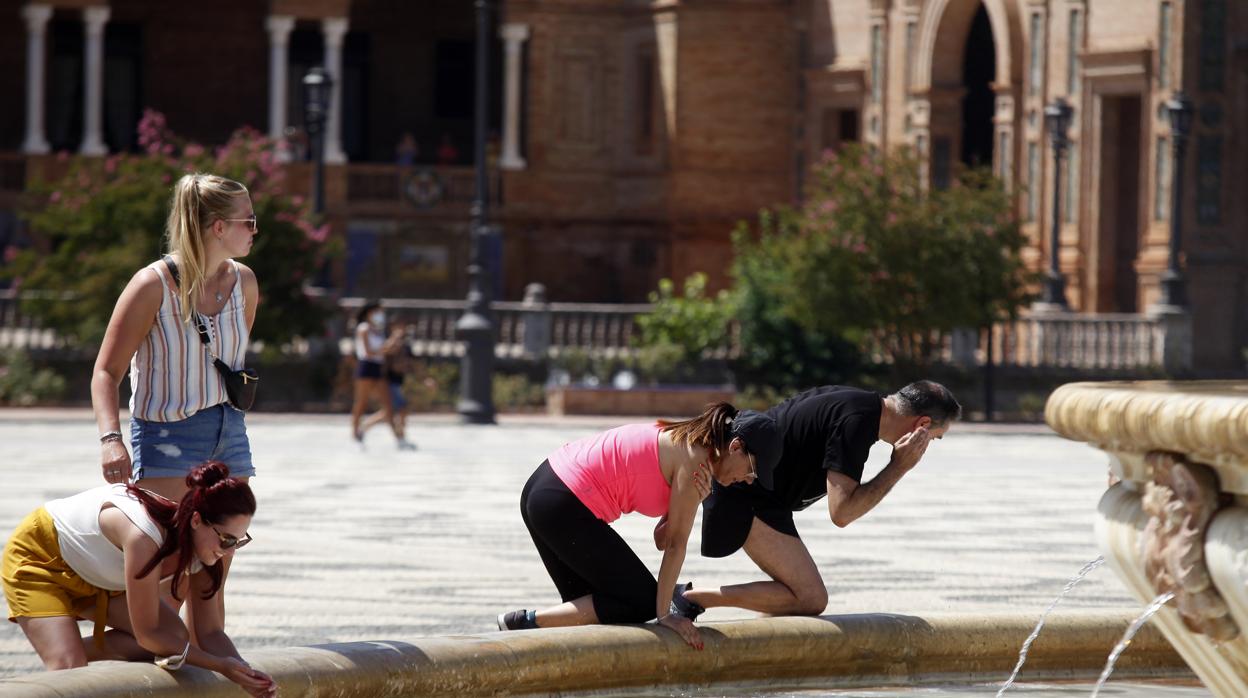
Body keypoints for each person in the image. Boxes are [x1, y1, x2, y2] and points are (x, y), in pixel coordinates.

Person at [496, 403, 782, 650]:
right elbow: (674, 546)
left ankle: (523, 624)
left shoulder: (691, 445)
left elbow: (661, 538)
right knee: (642, 602)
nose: (747, 480)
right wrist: (664, 615)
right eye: (752, 471)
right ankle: (524, 621)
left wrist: (699, 498)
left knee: (589, 610)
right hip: (561, 500)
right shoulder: (695, 460)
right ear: (735, 447)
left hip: (545, 488)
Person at [674, 381, 961, 620]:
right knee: (810, 598)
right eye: (933, 438)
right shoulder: (857, 422)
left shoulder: (859, 406)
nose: (928, 447)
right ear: (922, 425)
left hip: (765, 497)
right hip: (744, 490)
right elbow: (842, 513)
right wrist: (899, 466)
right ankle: (688, 598)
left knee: (794, 601)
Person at [1, 462, 276, 697]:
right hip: (40, 557)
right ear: (195, 521)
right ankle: (65, 652)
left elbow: (210, 632)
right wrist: (220, 666)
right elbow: (148, 634)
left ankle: (72, 647)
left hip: (99, 573)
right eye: (226, 539)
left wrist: (245, 671)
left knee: (176, 636)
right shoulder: (144, 536)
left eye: (239, 542)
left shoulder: (206, 552)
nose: (228, 551)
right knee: (70, 672)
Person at [92, 172, 260, 504]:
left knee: (221, 548)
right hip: (167, 433)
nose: (256, 229)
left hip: (230, 430)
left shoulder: (245, 283)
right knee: (169, 551)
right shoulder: (151, 285)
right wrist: (111, 439)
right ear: (220, 227)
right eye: (249, 220)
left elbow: (230, 361)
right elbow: (106, 372)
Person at [350, 301, 405, 447]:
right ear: (369, 313)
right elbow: (369, 352)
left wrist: (395, 341)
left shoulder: (378, 330)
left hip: (378, 367)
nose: (380, 315)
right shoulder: (364, 328)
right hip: (366, 367)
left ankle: (399, 439)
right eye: (377, 312)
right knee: (361, 402)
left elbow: (384, 351)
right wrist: (388, 344)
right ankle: (355, 434)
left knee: (389, 405)